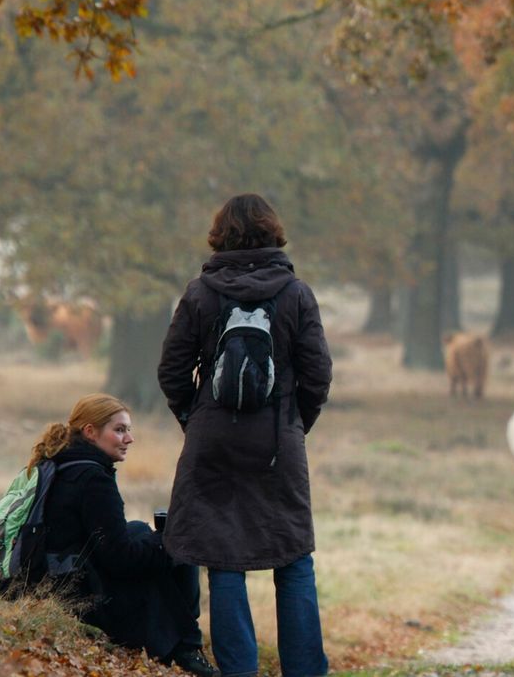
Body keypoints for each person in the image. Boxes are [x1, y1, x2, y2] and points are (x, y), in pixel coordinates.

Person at [158, 193, 333, 677]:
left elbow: (171, 370)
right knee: (293, 558)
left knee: (223, 560)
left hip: (212, 441)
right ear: (272, 231)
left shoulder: (200, 292)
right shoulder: (297, 294)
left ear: (221, 234)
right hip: (279, 442)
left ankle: (239, 672)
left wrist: (195, 420)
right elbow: (318, 375)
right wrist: (295, 424)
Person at [32, 392, 218, 677]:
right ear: (91, 432)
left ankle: (184, 640)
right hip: (80, 597)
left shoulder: (60, 462)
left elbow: (106, 543)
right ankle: (186, 646)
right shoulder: (93, 479)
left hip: (54, 579)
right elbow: (120, 559)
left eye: (128, 430)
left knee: (141, 531)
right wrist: (168, 542)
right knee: (172, 546)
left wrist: (155, 541)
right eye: (119, 430)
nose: (129, 438)